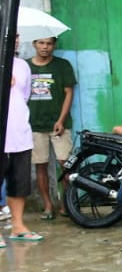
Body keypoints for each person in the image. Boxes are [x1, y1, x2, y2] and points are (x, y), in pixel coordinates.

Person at [27, 36, 76, 218]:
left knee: (65, 165)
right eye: (41, 43)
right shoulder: (26, 67)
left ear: (54, 45)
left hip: (59, 125)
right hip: (34, 125)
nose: (45, 47)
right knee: (40, 166)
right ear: (34, 44)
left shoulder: (62, 65)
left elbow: (69, 93)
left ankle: (67, 204)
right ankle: (48, 205)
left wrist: (61, 120)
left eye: (49, 43)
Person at [3, 35, 39, 244]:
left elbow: (25, 96)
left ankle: (18, 226)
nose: (14, 39)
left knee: (19, 183)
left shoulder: (22, 65)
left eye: (16, 36)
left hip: (19, 134)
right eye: (10, 35)